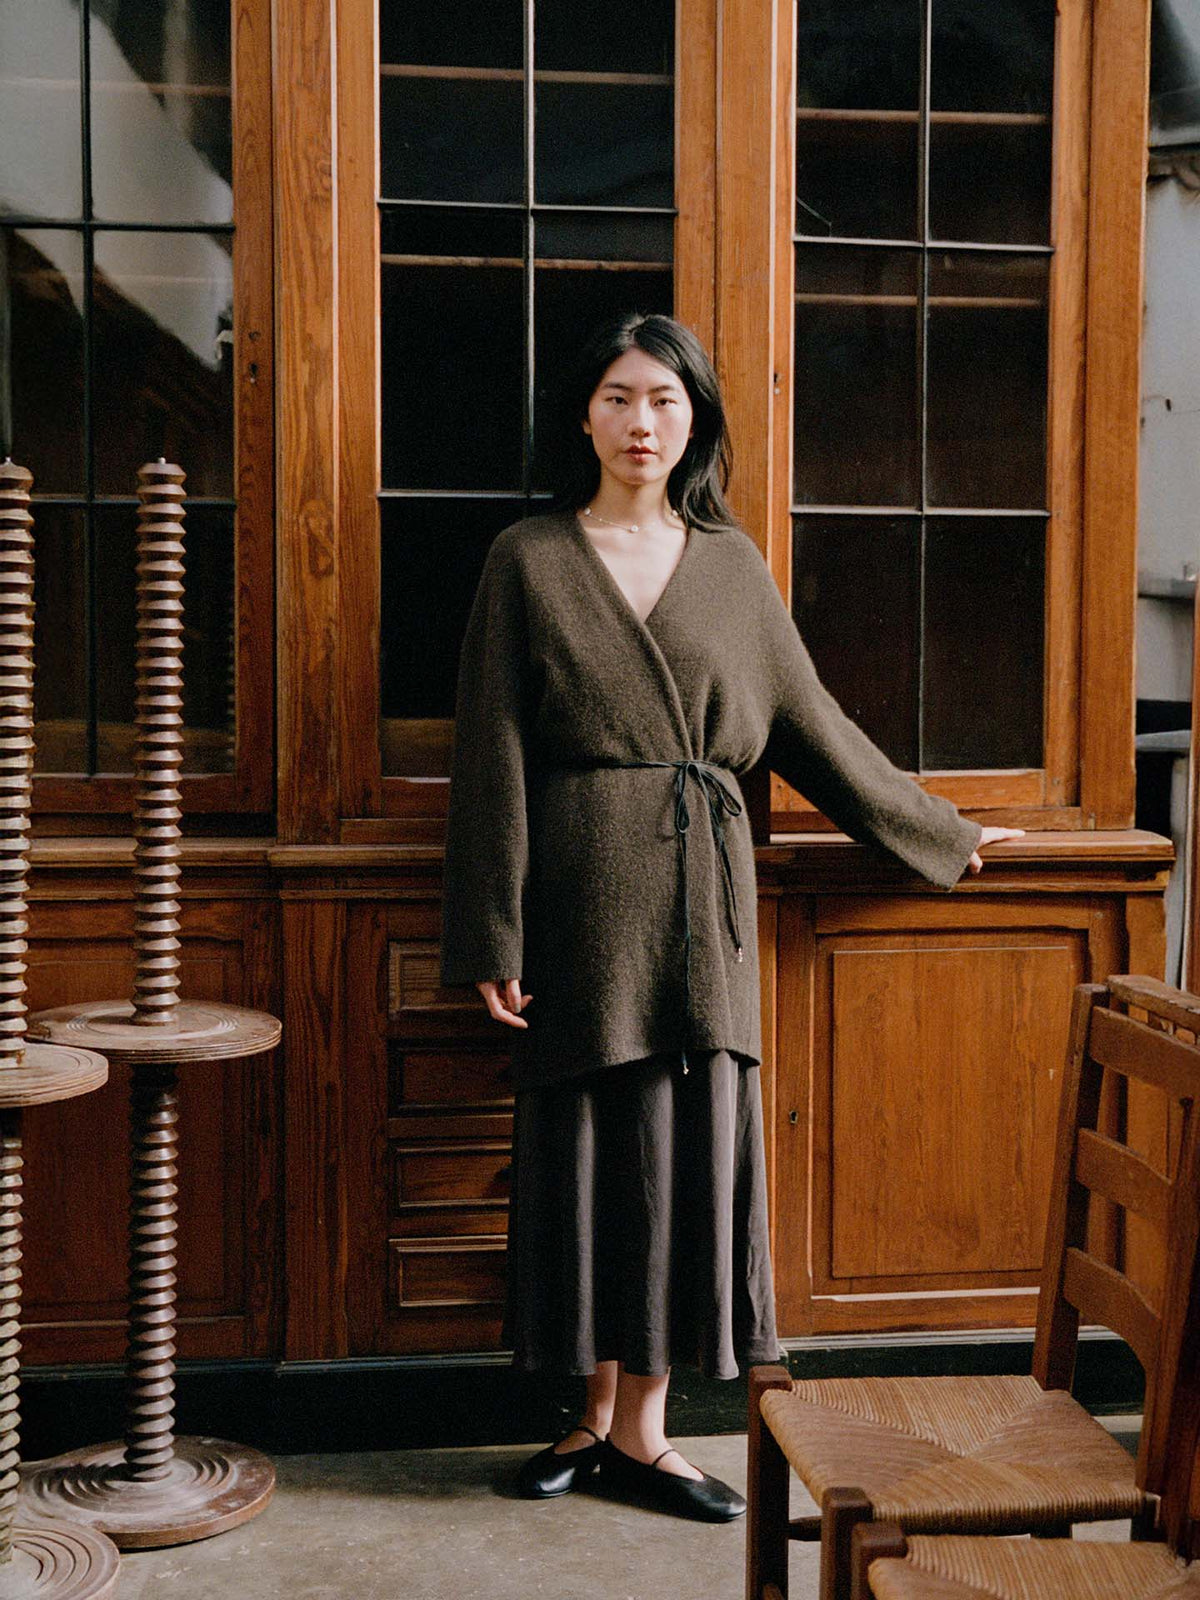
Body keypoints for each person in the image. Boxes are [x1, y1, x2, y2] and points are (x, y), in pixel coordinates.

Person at [439, 311, 1023, 1523]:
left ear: (693, 418)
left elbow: (815, 727)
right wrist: (491, 932)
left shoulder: (732, 565)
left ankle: (646, 1431)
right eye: (617, 396)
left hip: (702, 903)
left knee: (676, 1155)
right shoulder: (527, 558)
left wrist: (943, 833)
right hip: (575, 900)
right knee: (586, 1158)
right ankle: (588, 1416)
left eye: (663, 399)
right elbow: (489, 755)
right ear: (585, 415)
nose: (639, 421)